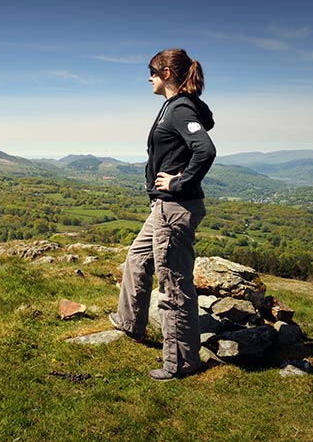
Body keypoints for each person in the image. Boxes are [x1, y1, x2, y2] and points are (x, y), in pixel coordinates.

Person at [109, 48, 216, 381]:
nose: (149, 78)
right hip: (164, 207)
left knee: (173, 282)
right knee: (137, 258)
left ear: (167, 73)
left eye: (152, 72)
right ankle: (130, 322)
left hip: (175, 207)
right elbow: (206, 119)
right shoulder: (178, 106)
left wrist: (179, 181)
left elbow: (206, 149)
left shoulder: (180, 107)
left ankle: (182, 361)